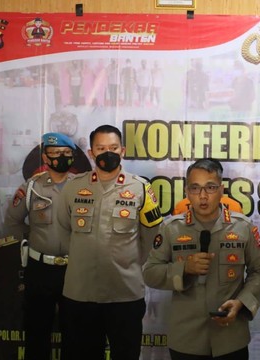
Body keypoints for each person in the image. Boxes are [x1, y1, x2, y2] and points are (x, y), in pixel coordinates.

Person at [56, 124, 163, 360]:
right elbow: (64, 231)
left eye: (113, 147)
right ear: (91, 153)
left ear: (122, 150)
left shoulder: (141, 188)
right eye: (101, 148)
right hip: (80, 293)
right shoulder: (73, 187)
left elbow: (151, 235)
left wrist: (128, 262)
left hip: (124, 294)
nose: (108, 153)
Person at [143, 158, 260, 360]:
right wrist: (183, 269)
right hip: (187, 339)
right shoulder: (171, 228)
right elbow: (149, 272)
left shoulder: (242, 227)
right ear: (187, 192)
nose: (202, 196)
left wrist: (241, 303)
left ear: (221, 189)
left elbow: (259, 271)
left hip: (230, 338)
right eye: (195, 188)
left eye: (210, 187)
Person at [5, 132, 77, 360]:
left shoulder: (84, 187)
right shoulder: (32, 187)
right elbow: (12, 222)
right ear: (45, 157)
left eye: (66, 153)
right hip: (40, 269)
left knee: (75, 334)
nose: (61, 157)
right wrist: (33, 237)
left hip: (75, 270)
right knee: (36, 333)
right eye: (56, 153)